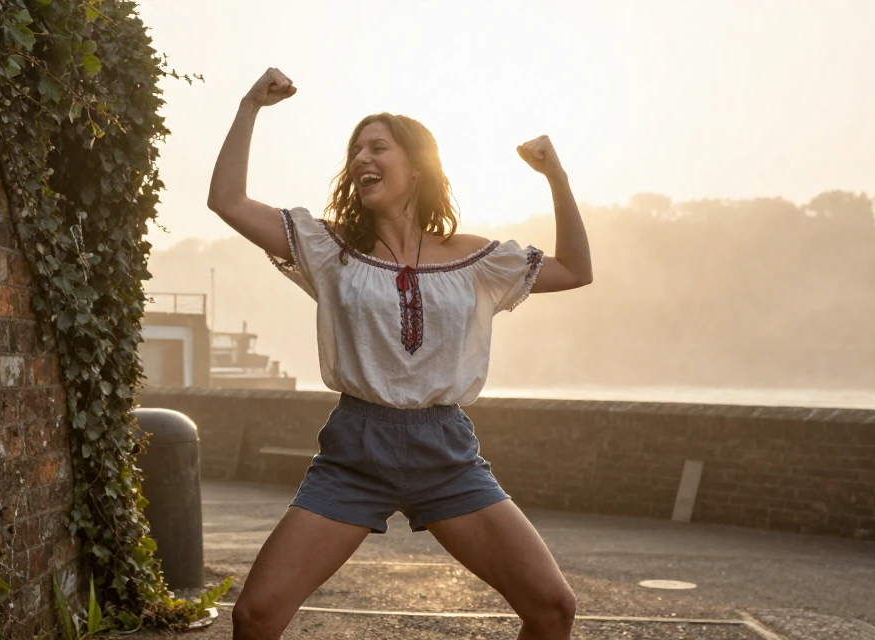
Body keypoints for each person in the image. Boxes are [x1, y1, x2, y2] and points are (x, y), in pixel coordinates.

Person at [207, 67, 593, 640]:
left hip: (448, 455)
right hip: (355, 452)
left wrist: (556, 175)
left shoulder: (476, 260)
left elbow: (575, 270)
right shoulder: (328, 246)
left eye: (378, 147)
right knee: (255, 615)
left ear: (416, 166)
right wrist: (248, 107)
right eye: (355, 149)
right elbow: (228, 200)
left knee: (553, 608)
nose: (363, 157)